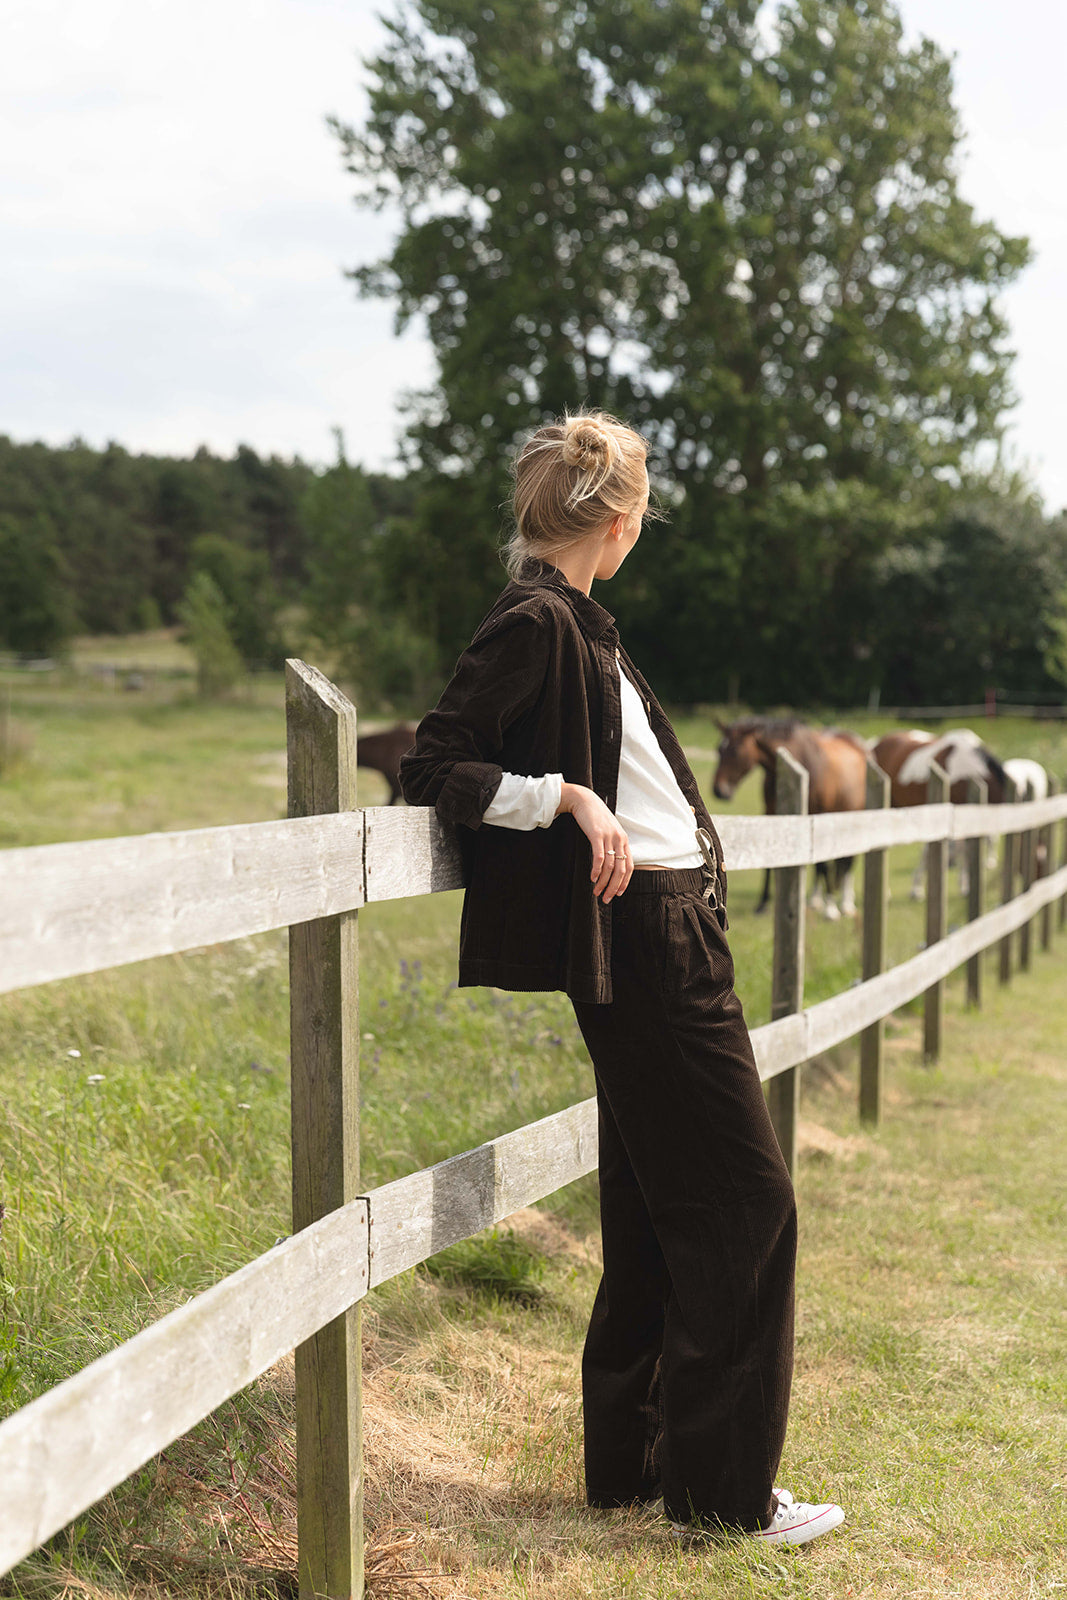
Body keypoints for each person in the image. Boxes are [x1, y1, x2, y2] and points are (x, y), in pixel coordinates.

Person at [399, 411, 844, 1547]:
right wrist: (565, 797)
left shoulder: (577, 625)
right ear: (621, 518)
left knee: (655, 1203)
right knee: (748, 1203)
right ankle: (725, 1498)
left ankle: (634, 1470)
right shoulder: (541, 621)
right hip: (648, 940)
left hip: (665, 930)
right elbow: (434, 761)